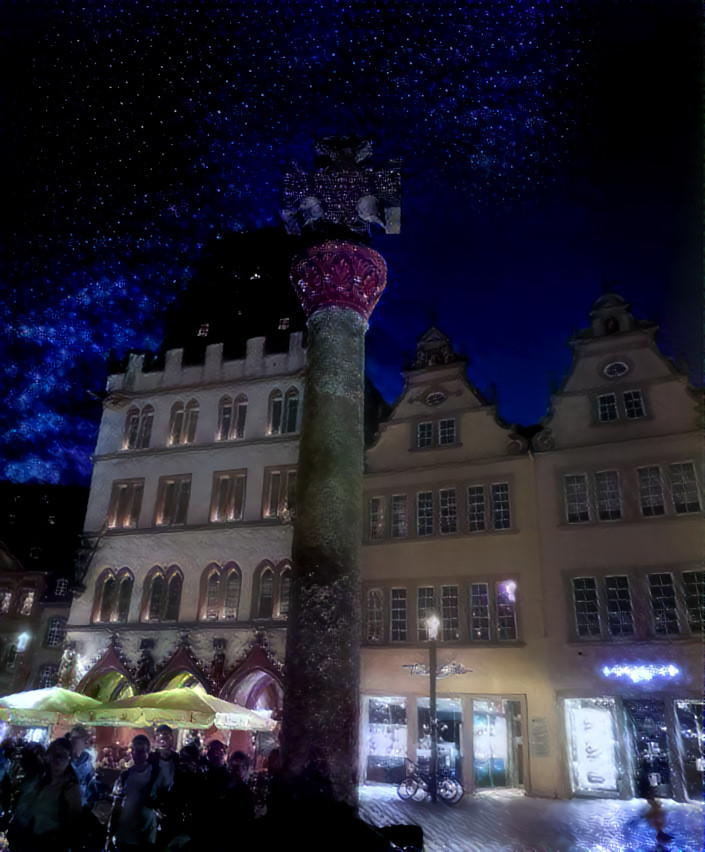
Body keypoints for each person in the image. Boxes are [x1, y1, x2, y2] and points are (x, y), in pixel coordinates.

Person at [8, 737, 82, 852]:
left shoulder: (70, 789)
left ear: (69, 759)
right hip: (26, 843)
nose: (57, 761)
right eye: (53, 755)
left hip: (49, 845)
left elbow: (74, 826)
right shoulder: (38, 780)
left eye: (61, 756)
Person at [109, 733, 168, 852]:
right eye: (135, 750)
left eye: (141, 751)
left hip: (146, 835)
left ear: (148, 753)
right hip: (124, 834)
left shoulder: (156, 775)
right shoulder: (125, 776)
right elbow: (116, 805)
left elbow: (164, 801)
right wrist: (110, 833)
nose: (137, 754)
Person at [69, 724, 96, 806]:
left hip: (80, 805)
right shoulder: (65, 758)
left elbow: (90, 786)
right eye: (72, 738)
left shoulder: (86, 760)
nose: (72, 741)